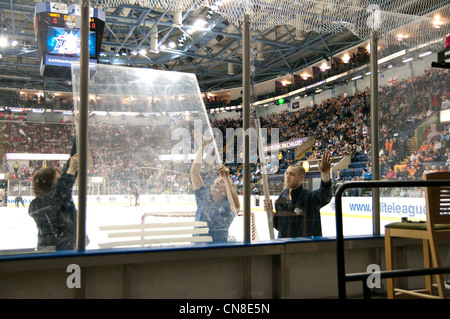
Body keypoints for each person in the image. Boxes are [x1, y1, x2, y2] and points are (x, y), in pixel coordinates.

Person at [264, 151, 333, 238]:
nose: (288, 176)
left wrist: (325, 174)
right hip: (284, 248)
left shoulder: (309, 198)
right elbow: (280, 227)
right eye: (287, 173)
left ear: (301, 178)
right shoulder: (280, 200)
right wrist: (271, 213)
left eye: (292, 174)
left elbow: (325, 196)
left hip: (305, 249)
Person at [190, 131, 240, 242]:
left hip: (217, 251)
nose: (217, 183)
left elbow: (237, 206)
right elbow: (194, 172)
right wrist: (202, 147)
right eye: (217, 181)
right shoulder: (204, 197)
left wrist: (226, 179)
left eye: (222, 183)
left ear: (227, 190)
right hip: (196, 248)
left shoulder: (227, 205)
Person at [28, 143, 79, 251]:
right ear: (49, 183)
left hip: (69, 252)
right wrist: (70, 171)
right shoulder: (37, 205)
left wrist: (77, 144)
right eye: (58, 180)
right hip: (50, 259)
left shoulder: (60, 198)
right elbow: (61, 190)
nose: (61, 182)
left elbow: (65, 181)